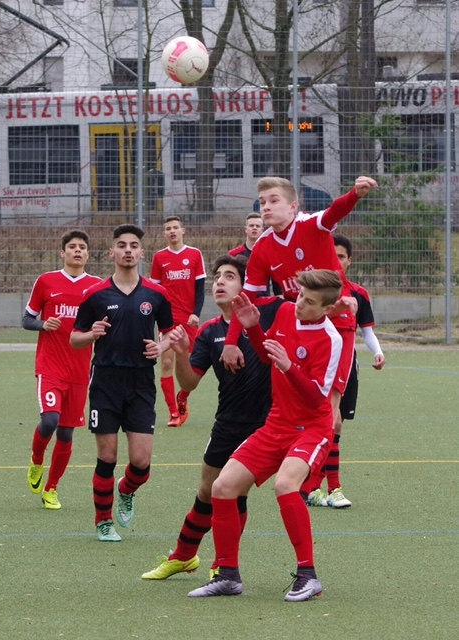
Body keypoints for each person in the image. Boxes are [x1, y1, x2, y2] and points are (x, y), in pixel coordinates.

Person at [187, 270, 345, 602]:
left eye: (310, 302)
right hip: (276, 425)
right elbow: (265, 355)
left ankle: (308, 575)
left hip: (312, 429)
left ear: (327, 309)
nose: (300, 304)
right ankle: (228, 575)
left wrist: (290, 366)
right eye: (300, 295)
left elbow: (318, 400)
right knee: (222, 487)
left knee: (285, 484)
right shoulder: (287, 312)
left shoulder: (332, 339)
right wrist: (253, 327)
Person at [221, 176, 378, 475]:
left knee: (329, 412)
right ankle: (299, 472)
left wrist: (355, 195)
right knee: (289, 405)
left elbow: (333, 212)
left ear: (293, 207)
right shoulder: (264, 247)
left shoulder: (311, 225)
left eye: (274, 200)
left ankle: (325, 485)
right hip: (297, 323)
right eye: (262, 202)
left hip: (336, 324)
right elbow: (245, 301)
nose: (266, 207)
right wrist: (231, 340)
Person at [141, 255, 284, 580]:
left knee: (233, 491)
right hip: (227, 423)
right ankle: (183, 556)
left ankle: (223, 563)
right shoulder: (209, 331)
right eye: (217, 276)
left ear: (247, 285)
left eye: (229, 276)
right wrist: (181, 353)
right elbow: (189, 382)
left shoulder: (271, 313)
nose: (219, 281)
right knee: (207, 492)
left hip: (265, 424)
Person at [70, 224, 174, 542]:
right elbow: (75, 338)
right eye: (121, 245)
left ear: (141, 253)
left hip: (142, 383)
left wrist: (162, 346)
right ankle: (103, 521)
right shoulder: (95, 294)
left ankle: (126, 489)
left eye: (133, 246)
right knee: (108, 456)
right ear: (112, 252)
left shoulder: (156, 294)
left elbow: (170, 332)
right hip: (105, 382)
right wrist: (92, 334)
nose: (127, 250)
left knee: (141, 462)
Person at [24, 229, 102, 510]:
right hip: (50, 366)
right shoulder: (46, 281)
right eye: (72, 247)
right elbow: (27, 319)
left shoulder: (96, 287)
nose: (77, 251)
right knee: (50, 421)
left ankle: (52, 488)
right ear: (63, 253)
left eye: (82, 247)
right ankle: (36, 460)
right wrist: (42, 324)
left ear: (88, 254)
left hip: (80, 371)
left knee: (67, 433)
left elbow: (106, 325)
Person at [307, 233, 386, 508]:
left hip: (346, 366)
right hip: (319, 366)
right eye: (332, 255)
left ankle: (313, 488)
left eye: (341, 256)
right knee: (330, 422)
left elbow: (367, 331)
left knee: (334, 426)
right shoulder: (315, 293)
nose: (336, 260)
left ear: (349, 261)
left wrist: (377, 351)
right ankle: (332, 488)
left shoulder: (358, 294)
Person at [150, 215, 206, 427]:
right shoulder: (159, 257)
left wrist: (196, 313)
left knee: (189, 368)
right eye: (168, 228)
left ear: (183, 230)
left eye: (175, 227)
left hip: (188, 319)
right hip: (168, 319)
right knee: (166, 362)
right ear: (164, 234)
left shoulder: (194, 254)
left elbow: (200, 289)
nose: (172, 231)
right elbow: (155, 291)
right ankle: (173, 412)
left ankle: (182, 398)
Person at [229, 212, 281, 296]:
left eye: (257, 226)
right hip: (241, 301)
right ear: (245, 229)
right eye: (251, 225)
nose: (254, 228)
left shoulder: (270, 254)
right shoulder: (234, 255)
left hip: (263, 303)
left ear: (263, 230)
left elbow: (277, 285)